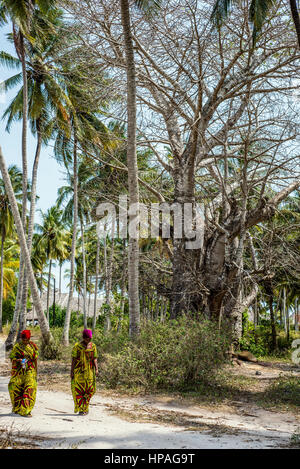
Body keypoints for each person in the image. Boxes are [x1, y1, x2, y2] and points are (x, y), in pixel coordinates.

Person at [8, 329, 39, 417]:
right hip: (19, 371)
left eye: (26, 339)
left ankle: (26, 410)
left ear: (29, 338)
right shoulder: (17, 347)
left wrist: (36, 372)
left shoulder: (33, 347)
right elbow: (12, 358)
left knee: (29, 388)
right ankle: (17, 408)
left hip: (30, 370)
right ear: (21, 338)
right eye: (23, 339)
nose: (25, 341)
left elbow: (35, 360)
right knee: (14, 386)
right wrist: (18, 360)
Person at [71, 329, 98, 415]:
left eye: (90, 338)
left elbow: (94, 358)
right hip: (79, 372)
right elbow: (74, 360)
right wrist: (71, 371)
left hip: (90, 372)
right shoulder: (77, 347)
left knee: (90, 390)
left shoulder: (93, 346)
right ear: (83, 338)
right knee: (80, 391)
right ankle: (82, 409)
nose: (89, 340)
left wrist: (97, 369)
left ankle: (85, 406)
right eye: (87, 338)